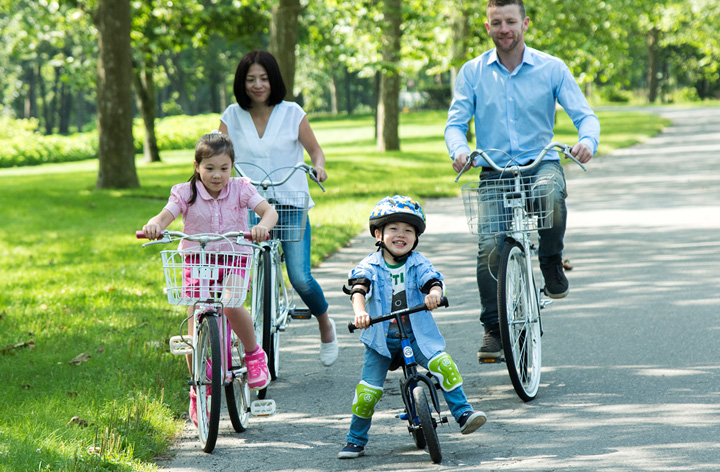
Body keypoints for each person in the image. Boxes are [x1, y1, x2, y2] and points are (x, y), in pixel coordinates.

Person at [445, 0, 600, 360]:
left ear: (525, 23)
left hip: (539, 162)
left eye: (510, 21)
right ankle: (493, 328)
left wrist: (586, 141)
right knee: (490, 248)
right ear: (487, 27)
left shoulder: (551, 68)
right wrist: (459, 149)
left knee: (551, 197)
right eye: (496, 22)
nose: (504, 29)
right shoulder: (472, 72)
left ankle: (550, 260)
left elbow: (585, 117)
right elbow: (456, 122)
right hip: (494, 169)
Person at [142, 133, 279, 425]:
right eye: (210, 168)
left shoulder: (241, 189)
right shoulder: (184, 192)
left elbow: (268, 211)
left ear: (232, 167)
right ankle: (196, 388)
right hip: (198, 261)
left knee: (230, 302)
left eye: (224, 168)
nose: (217, 175)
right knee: (193, 317)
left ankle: (254, 355)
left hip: (233, 259)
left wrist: (262, 227)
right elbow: (166, 215)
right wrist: (155, 225)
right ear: (196, 166)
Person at [338, 196, 487, 459]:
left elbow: (433, 280)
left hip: (417, 336)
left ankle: (463, 413)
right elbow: (359, 288)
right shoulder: (370, 265)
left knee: (444, 365)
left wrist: (435, 294)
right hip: (381, 340)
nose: (401, 235)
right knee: (367, 394)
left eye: (408, 230)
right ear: (378, 233)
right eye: (393, 229)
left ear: (416, 238)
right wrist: (360, 312)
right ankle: (355, 440)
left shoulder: (418, 262)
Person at [218, 50, 338, 367]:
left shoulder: (292, 112)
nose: (258, 85)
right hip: (247, 205)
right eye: (250, 79)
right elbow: (217, 153)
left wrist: (319, 168)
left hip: (290, 202)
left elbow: (315, 151)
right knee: (235, 276)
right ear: (241, 83)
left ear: (274, 80)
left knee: (299, 277)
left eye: (264, 78)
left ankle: (325, 322)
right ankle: (243, 342)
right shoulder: (231, 116)